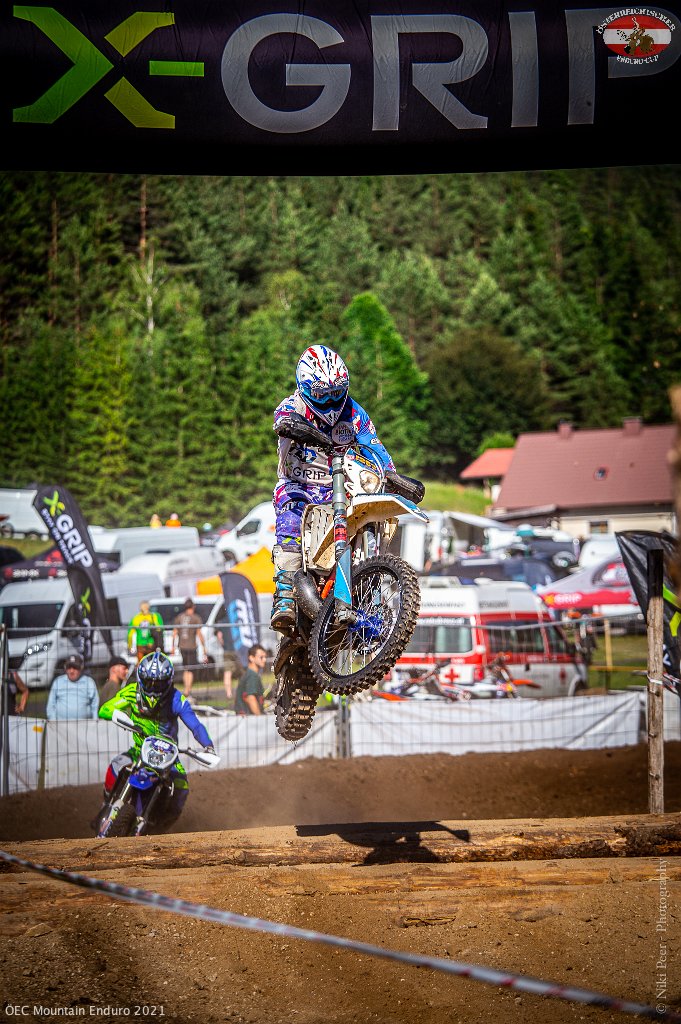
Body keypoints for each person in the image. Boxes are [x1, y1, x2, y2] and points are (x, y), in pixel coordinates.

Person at [270, 344, 396, 630]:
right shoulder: (293, 406)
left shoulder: (353, 412)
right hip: (298, 485)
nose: (329, 402)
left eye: (336, 393)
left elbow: (375, 447)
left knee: (372, 514)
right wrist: (302, 430)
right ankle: (285, 594)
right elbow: (282, 422)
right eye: (321, 395)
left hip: (339, 486)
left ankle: (368, 584)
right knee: (290, 517)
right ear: (304, 388)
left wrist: (392, 475)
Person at [95, 650, 215, 832]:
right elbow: (105, 709)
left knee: (182, 788)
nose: (152, 687)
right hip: (139, 751)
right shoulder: (131, 692)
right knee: (115, 766)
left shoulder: (177, 699)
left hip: (168, 758)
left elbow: (196, 726)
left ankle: (160, 829)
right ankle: (107, 803)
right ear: (141, 678)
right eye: (149, 682)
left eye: (158, 683)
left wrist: (208, 746)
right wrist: (120, 716)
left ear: (168, 681)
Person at [172, 597, 207, 699]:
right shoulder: (195, 618)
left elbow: (174, 633)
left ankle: (186, 689)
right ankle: (188, 691)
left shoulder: (179, 617)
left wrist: (173, 646)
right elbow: (199, 633)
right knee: (191, 669)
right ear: (193, 606)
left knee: (186, 668)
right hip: (191, 646)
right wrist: (204, 646)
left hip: (182, 646)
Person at [46, 653, 99, 720]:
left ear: (81, 668)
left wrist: (95, 721)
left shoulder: (89, 682)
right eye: (69, 668)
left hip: (84, 724)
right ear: (65, 668)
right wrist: (53, 722)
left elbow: (95, 704)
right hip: (61, 724)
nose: (71, 671)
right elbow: (51, 705)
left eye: (75, 668)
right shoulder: (58, 682)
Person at [234, 644, 268, 715]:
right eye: (261, 657)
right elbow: (251, 698)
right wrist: (260, 718)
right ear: (251, 658)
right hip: (249, 718)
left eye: (265, 657)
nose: (264, 660)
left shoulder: (249, 673)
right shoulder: (252, 675)